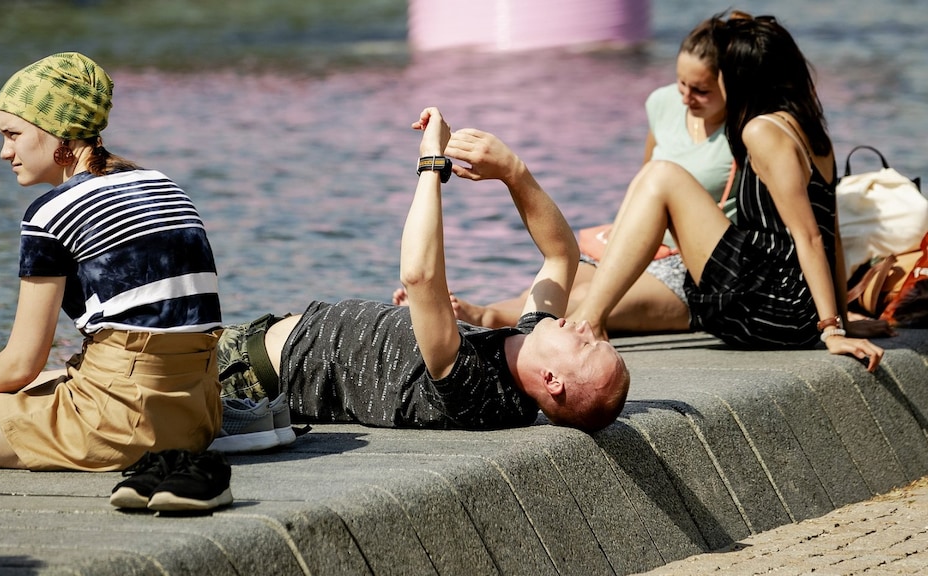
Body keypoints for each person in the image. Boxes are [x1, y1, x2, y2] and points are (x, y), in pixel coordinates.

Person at [216, 107, 629, 435]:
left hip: (248, 375)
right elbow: (562, 256)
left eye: (588, 346)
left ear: (553, 380)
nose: (587, 328)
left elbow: (418, 276)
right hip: (266, 338)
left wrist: (432, 163)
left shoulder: (482, 392)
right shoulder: (526, 342)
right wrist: (513, 172)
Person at [0, 52, 224, 471]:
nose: (5, 151)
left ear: (57, 131)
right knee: (31, 385)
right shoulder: (162, 183)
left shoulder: (51, 212)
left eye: (13, 134)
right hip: (197, 413)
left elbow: (21, 361)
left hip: (119, 423)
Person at [571, 13, 885, 370]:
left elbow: (810, 236)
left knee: (661, 175)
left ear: (743, 77)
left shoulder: (762, 132)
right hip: (788, 303)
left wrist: (831, 330)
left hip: (772, 305)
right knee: (657, 177)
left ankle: (590, 323)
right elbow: (834, 235)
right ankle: (588, 318)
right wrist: (841, 318)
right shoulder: (810, 129)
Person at [396, 17, 735, 334]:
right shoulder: (663, 103)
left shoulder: (745, 129)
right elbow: (644, 181)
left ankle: (479, 317)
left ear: (731, 86)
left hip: (691, 266)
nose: (687, 97)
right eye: (681, 83)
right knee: (553, 286)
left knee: (584, 303)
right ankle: (464, 314)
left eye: (701, 90)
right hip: (641, 245)